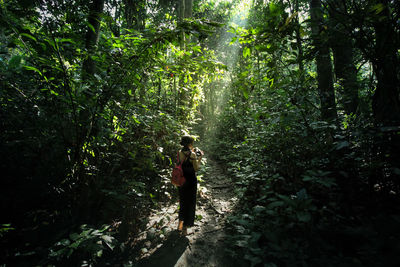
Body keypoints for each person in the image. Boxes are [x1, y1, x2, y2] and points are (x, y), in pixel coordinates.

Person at [177, 135, 203, 235]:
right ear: (189, 144)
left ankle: (179, 225)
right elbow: (196, 168)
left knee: (183, 203)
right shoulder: (192, 154)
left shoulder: (179, 152)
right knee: (190, 203)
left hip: (181, 181)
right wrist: (199, 157)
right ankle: (185, 229)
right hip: (191, 181)